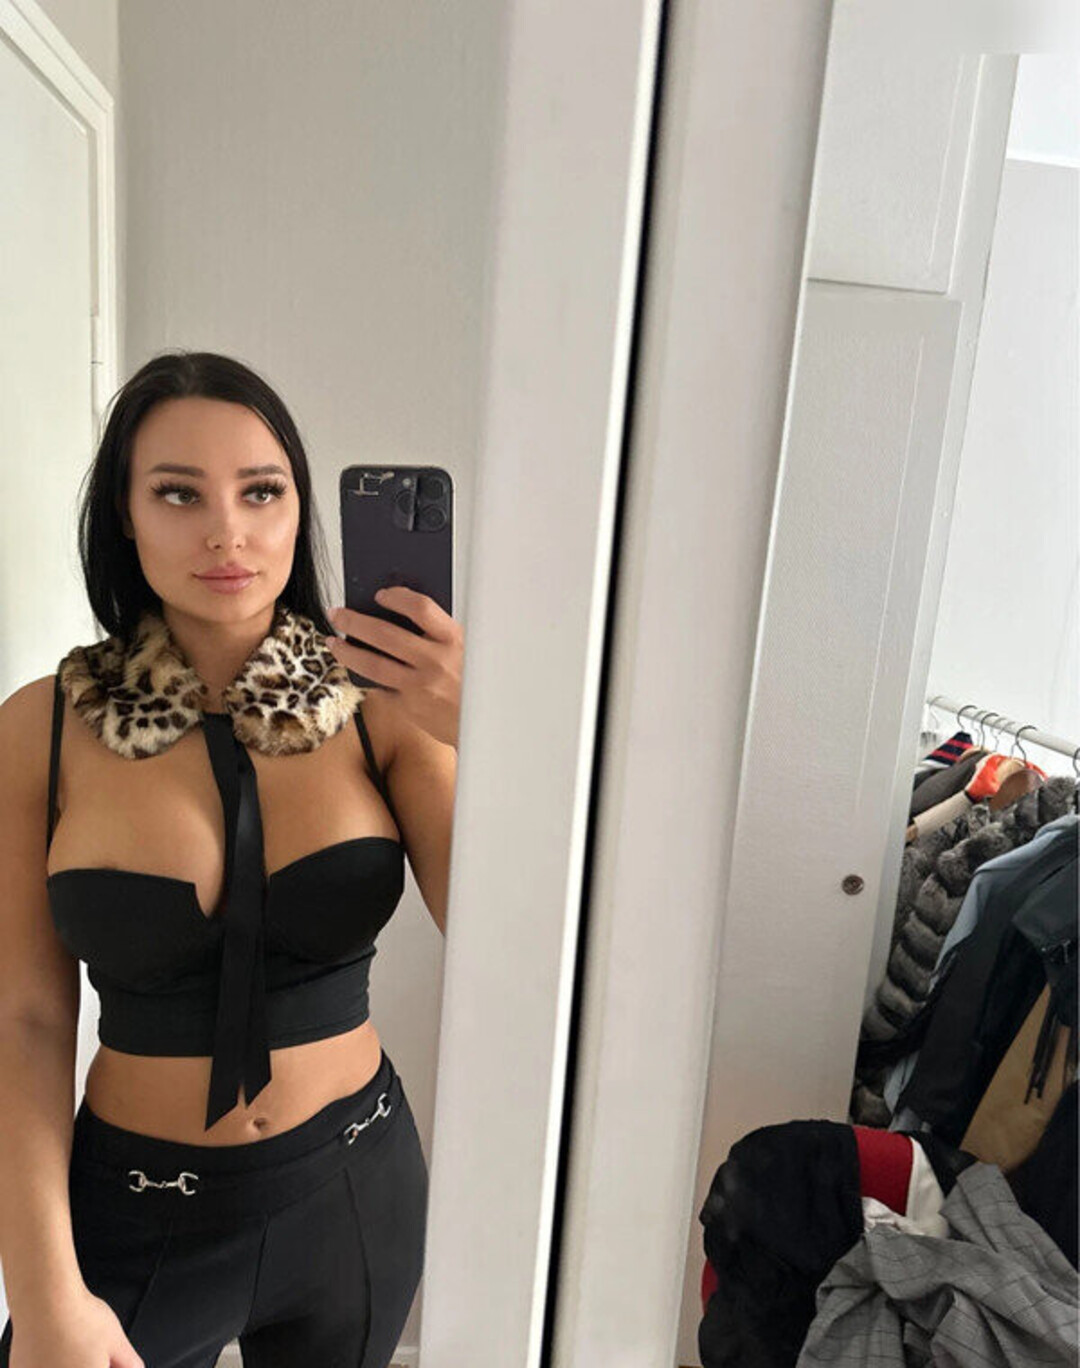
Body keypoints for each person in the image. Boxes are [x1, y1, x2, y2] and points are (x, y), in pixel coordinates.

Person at [0, 351, 461, 1368]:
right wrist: (41, 1293)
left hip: (356, 1184)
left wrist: (488, 726)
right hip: (134, 1212)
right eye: (178, 493)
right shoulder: (40, 729)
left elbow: (518, 939)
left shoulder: (383, 710)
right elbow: (24, 1021)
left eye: (261, 491)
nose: (227, 533)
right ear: (125, 515)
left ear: (300, 509)